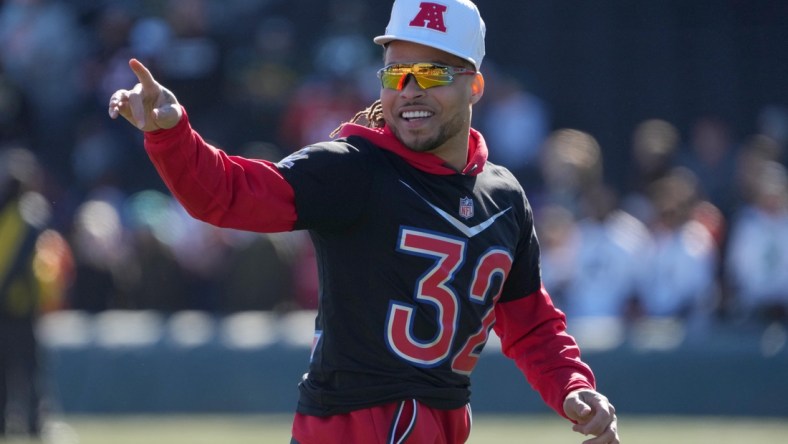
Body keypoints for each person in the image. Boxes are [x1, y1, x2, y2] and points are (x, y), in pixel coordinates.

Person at [108, 0, 619, 442]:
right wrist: (172, 134)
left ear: (475, 85)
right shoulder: (353, 168)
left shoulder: (504, 197)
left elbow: (530, 324)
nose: (411, 90)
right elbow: (229, 196)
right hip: (347, 429)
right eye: (397, 74)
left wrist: (574, 386)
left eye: (433, 73)